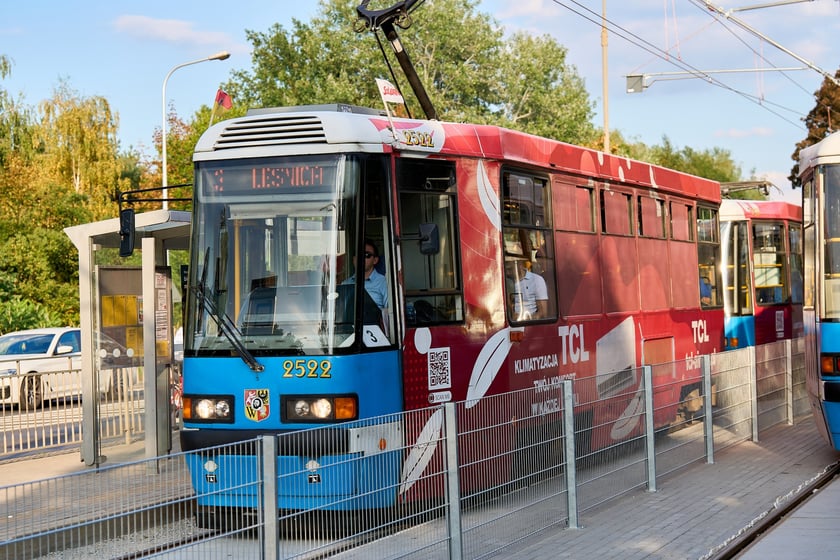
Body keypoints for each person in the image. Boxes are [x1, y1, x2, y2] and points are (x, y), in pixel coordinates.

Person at [343, 240, 388, 310]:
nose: (361, 258)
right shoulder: (345, 284)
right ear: (353, 259)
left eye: (367, 255)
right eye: (358, 254)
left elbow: (389, 314)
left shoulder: (384, 282)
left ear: (375, 260)